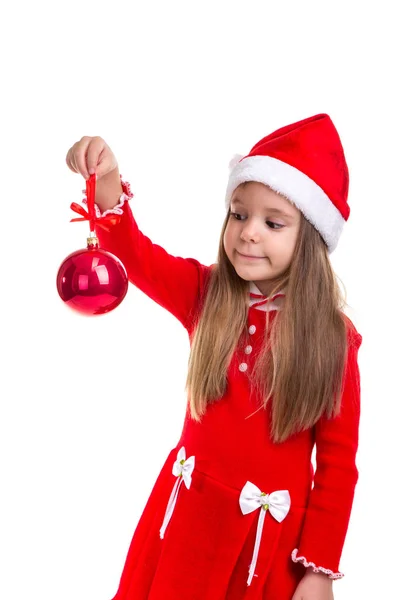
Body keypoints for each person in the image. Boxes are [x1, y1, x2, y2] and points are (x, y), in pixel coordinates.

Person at [65, 113, 362, 600]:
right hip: (186, 525)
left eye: (273, 222)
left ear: (309, 238)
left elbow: (337, 465)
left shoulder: (333, 342)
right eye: (239, 214)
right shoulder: (208, 296)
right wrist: (110, 187)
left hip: (263, 547)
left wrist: (319, 570)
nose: (248, 233)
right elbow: (138, 258)